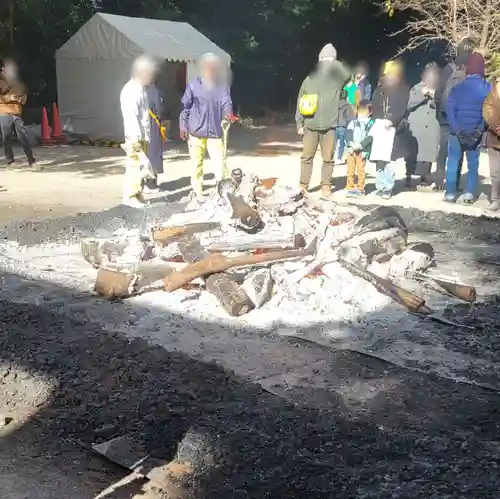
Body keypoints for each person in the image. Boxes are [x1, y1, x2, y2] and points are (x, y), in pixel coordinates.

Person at [296, 43, 350, 198]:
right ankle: (303, 185)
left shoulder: (337, 80)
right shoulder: (309, 79)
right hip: (310, 125)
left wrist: (333, 61)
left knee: (328, 158)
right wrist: (299, 123)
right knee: (307, 157)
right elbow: (300, 101)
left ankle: (326, 185)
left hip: (330, 125)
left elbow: (348, 74)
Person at [179, 53, 236, 198]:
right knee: (196, 165)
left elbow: (226, 103)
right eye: (207, 68)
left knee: (220, 163)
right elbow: (185, 107)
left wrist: (228, 114)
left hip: (215, 132)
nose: (210, 71)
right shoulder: (193, 86)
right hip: (195, 132)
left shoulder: (222, 87)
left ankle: (223, 191)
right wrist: (183, 126)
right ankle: (197, 192)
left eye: (213, 69)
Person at [444, 52, 491, 204]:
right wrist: (479, 130)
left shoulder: (457, 88)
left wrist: (456, 129)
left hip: (456, 133)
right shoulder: (488, 89)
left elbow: (449, 110)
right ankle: (469, 193)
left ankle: (450, 193)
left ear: (468, 70)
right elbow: (489, 112)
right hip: (476, 133)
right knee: (472, 164)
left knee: (452, 162)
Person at [434, 38, 477, 190]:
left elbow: (438, 93)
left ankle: (440, 180)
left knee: (445, 149)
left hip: (445, 115)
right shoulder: (470, 69)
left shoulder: (448, 68)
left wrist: (440, 112)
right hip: (457, 116)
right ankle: (454, 183)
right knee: (457, 150)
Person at [120, 54, 158, 208]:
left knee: (141, 167)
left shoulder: (141, 89)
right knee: (135, 166)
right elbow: (131, 117)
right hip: (135, 136)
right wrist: (136, 139)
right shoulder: (131, 91)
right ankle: (130, 196)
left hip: (143, 134)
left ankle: (137, 192)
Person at [371, 60, 410, 199]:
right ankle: (380, 186)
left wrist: (392, 120)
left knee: (389, 160)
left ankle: (387, 187)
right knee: (379, 159)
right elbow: (374, 107)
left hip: (394, 130)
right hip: (380, 127)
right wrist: (378, 119)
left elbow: (401, 108)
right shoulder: (379, 90)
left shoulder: (402, 90)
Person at [406, 62, 441, 188]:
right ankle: (409, 175)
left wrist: (435, 96)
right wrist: (422, 94)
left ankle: (424, 176)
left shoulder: (439, 89)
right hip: (416, 124)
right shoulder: (416, 88)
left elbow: (443, 105)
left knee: (429, 152)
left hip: (432, 125)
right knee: (413, 152)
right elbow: (409, 104)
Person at [0, 58, 37, 168]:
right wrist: (9, 97)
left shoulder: (18, 83)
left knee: (23, 136)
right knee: (7, 137)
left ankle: (31, 160)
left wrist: (22, 100)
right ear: (3, 69)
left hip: (17, 112)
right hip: (4, 112)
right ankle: (10, 161)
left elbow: (24, 96)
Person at [344, 99, 374, 197]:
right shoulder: (353, 122)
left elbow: (370, 136)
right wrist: (351, 144)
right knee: (350, 170)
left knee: (361, 171)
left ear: (370, 112)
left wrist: (361, 145)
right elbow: (348, 132)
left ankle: (361, 189)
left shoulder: (370, 124)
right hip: (351, 150)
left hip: (362, 151)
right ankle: (350, 188)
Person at [144, 83, 166, 192]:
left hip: (141, 127)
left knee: (143, 154)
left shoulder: (136, 90)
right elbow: (159, 109)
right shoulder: (154, 91)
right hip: (152, 125)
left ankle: (142, 183)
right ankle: (151, 184)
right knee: (153, 153)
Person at [483, 77, 500, 211]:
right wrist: (497, 127)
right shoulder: (492, 88)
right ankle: (496, 200)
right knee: (495, 173)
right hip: (494, 138)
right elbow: (487, 109)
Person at [335, 88, 355, 165]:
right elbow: (350, 117)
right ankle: (339, 158)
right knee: (342, 144)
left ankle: (332, 157)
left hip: (334, 125)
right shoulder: (348, 106)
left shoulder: (334, 105)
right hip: (343, 126)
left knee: (334, 143)